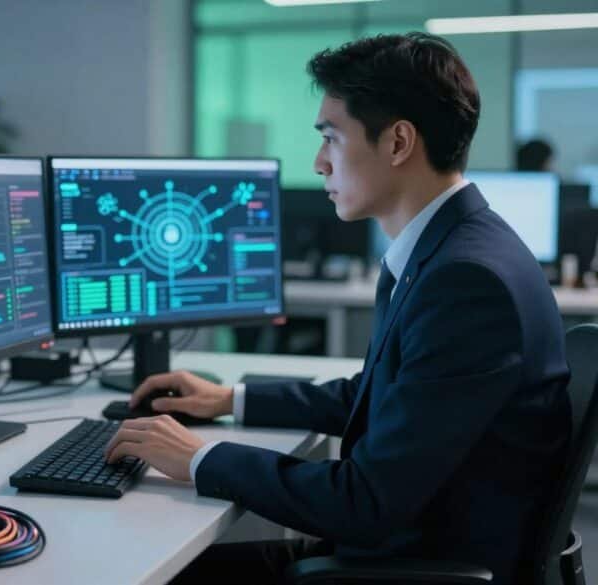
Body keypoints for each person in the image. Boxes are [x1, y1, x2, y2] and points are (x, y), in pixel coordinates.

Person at [105, 32, 570, 584]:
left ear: (398, 142)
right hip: (407, 550)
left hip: (411, 569)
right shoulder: (452, 249)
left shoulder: (467, 280)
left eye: (331, 138)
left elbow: (365, 502)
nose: (319, 162)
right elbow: (382, 397)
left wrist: (201, 460)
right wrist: (231, 398)